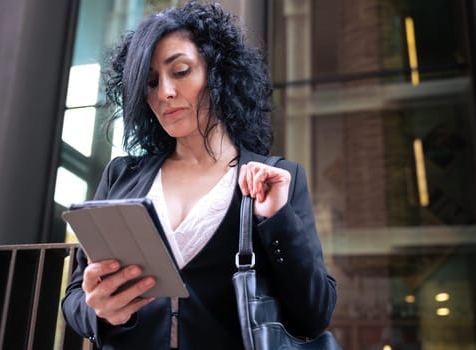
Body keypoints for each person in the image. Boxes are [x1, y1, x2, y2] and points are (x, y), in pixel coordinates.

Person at [61, 1, 337, 349]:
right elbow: (74, 298)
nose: (165, 93)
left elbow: (314, 314)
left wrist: (277, 220)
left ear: (218, 74)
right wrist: (101, 311)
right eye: (150, 82)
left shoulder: (277, 179)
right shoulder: (121, 176)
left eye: (180, 71)